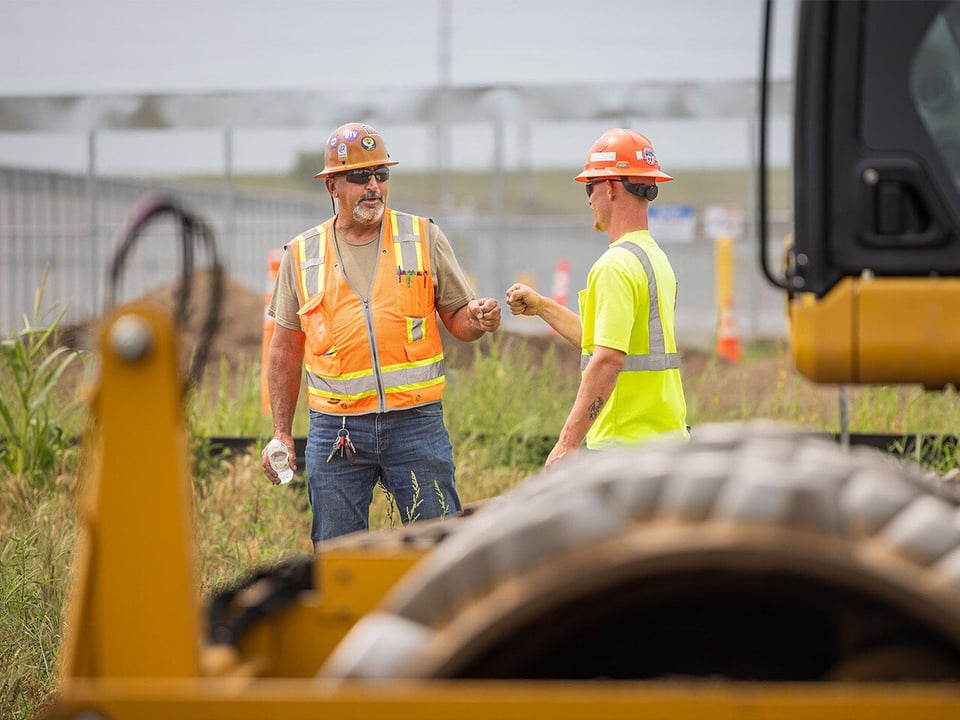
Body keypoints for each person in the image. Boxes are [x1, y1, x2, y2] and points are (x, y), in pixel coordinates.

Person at [262, 122, 501, 546]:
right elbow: (283, 348)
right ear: (332, 186)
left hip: (416, 425)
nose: (373, 186)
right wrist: (282, 431)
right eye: (359, 177)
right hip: (337, 431)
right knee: (338, 557)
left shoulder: (423, 236)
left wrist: (477, 319)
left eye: (381, 175)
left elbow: (458, 320)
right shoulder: (302, 254)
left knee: (436, 548)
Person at [506, 128, 687, 468]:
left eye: (590, 187)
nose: (589, 198)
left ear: (611, 187)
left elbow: (607, 360)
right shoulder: (654, 258)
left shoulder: (614, 265)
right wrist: (544, 306)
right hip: (664, 440)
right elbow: (604, 342)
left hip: (624, 449)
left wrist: (566, 444)